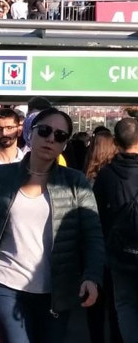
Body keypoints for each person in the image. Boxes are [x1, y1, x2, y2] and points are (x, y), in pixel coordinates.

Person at [0, 107, 104, 343]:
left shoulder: (76, 182)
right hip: (5, 284)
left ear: (64, 144)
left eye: (60, 136)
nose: (50, 139)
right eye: (44, 131)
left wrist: (92, 276)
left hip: (56, 291)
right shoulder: (1, 176)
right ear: (30, 133)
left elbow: (93, 235)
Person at [94, 117, 138, 339]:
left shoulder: (106, 174)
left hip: (118, 253)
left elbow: (98, 215)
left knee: (125, 304)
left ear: (117, 142)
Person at [83, 129, 123, 343]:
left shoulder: (84, 179)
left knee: (94, 306)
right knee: (116, 306)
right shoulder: (115, 176)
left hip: (92, 250)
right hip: (114, 249)